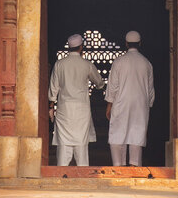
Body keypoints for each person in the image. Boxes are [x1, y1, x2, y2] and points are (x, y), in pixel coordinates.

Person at [48, 33, 104, 166]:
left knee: (64, 143)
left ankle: (62, 173)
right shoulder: (87, 64)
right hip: (81, 110)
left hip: (64, 109)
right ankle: (82, 173)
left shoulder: (59, 64)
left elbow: (53, 89)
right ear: (81, 47)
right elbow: (99, 83)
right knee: (81, 143)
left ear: (69, 47)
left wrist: (51, 106)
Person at [105, 30, 155, 167]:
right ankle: (134, 165)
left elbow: (113, 86)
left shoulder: (119, 62)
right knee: (136, 134)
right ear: (140, 43)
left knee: (117, 133)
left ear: (126, 44)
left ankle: (118, 165)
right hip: (140, 104)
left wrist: (109, 106)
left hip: (121, 103)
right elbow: (150, 89)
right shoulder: (147, 63)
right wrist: (148, 105)